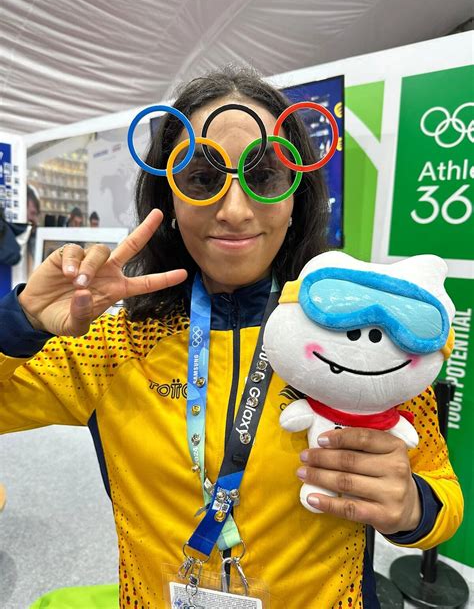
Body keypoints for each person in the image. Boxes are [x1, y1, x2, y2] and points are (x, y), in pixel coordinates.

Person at [0, 67, 463, 608]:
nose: (236, 211)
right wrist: (20, 321)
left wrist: (412, 509)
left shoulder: (363, 332)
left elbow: (441, 490)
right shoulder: (115, 342)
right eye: (202, 178)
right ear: (168, 199)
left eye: (263, 176)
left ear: (297, 199)